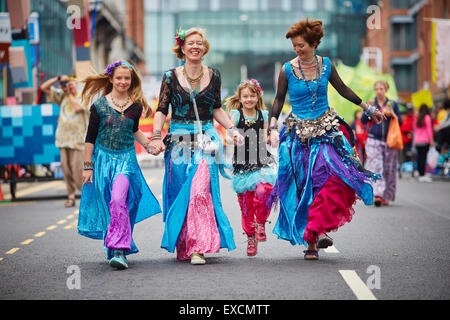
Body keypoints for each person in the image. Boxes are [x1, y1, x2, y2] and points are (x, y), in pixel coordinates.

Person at [267, 19, 384, 260]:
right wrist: (271, 127)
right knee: (303, 186)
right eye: (294, 46)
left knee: (329, 179)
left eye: (301, 45)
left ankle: (319, 230)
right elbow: (278, 100)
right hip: (297, 135)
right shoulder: (287, 69)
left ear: (314, 43)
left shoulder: (326, 65)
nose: (297, 50)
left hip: (326, 132)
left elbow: (344, 90)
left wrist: (369, 109)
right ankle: (311, 241)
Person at [148, 28, 243, 265]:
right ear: (182, 47)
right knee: (183, 192)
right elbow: (161, 109)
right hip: (178, 140)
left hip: (206, 139)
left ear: (204, 47)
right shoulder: (170, 77)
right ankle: (185, 242)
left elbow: (217, 109)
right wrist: (156, 136)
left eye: (199, 43)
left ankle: (199, 246)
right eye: (191, 43)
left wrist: (232, 129)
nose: (195, 47)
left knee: (200, 190)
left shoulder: (215, 75)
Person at [78, 60, 161, 270]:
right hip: (102, 161)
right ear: (111, 80)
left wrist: (150, 145)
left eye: (127, 78)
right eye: (119, 78)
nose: (123, 81)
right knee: (111, 206)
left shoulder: (135, 107)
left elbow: (134, 131)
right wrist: (88, 166)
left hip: (126, 161)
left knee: (118, 200)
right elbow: (90, 138)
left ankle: (119, 250)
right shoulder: (98, 106)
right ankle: (114, 245)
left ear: (131, 81)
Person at [224, 79, 276, 256]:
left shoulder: (264, 115)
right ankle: (251, 237)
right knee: (246, 205)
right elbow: (229, 135)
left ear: (258, 96)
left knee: (264, 191)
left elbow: (265, 137)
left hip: (262, 161)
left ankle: (260, 222)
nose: (249, 99)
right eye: (245, 96)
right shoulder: (236, 115)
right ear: (239, 97)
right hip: (242, 165)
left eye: (252, 95)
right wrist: (233, 139)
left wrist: (272, 138)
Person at [40, 74, 88, 207]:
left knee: (77, 169)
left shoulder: (82, 96)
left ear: (76, 84)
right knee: (66, 170)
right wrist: (57, 79)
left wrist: (69, 95)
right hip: (62, 139)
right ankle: (71, 196)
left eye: (72, 83)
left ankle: (86, 194)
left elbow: (79, 108)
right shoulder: (63, 96)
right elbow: (44, 87)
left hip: (77, 140)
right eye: (67, 84)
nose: (70, 86)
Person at [361, 80, 402, 206]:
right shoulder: (372, 103)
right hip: (373, 139)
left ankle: (386, 196)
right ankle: (377, 194)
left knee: (388, 169)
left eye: (381, 89)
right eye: (377, 89)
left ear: (386, 90)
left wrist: (393, 114)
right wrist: (368, 109)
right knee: (376, 166)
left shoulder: (392, 104)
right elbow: (363, 120)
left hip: (389, 141)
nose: (379, 91)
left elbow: (400, 122)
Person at [413, 104, 435, 182]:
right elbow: (429, 130)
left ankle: (420, 173)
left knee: (419, 157)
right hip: (425, 141)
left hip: (417, 141)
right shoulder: (427, 117)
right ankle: (422, 174)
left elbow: (414, 129)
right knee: (423, 157)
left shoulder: (417, 118)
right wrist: (431, 140)